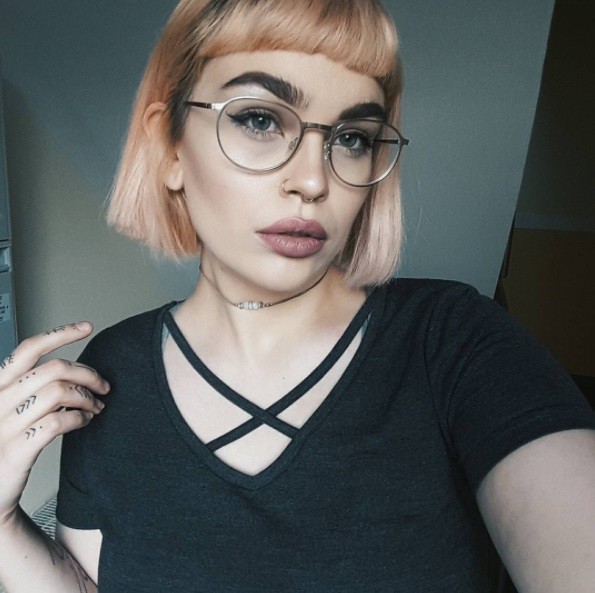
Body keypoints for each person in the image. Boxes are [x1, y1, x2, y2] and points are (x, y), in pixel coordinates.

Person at [1, 0, 594, 591]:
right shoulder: (114, 367)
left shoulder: (456, 340)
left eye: (353, 138)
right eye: (260, 120)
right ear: (170, 147)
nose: (313, 180)